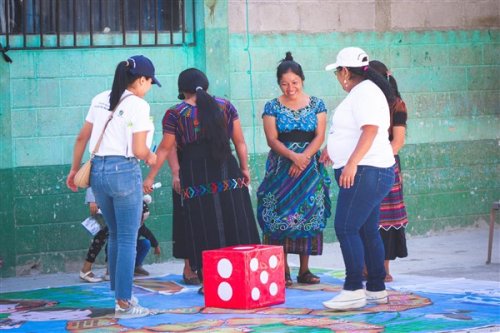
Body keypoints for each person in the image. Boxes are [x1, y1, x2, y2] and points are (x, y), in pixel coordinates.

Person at [143, 68, 260, 294]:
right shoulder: (226, 106)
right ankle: (241, 277)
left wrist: (150, 177)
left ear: (182, 90)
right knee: (234, 221)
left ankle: (211, 282)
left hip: (196, 176)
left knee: (203, 225)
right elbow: (240, 142)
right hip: (228, 171)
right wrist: (245, 169)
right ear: (205, 85)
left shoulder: (176, 113)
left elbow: (166, 148)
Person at [66, 55, 159, 319]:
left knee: (117, 235)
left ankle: (121, 294)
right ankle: (125, 304)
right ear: (141, 79)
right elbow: (140, 150)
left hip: (98, 172)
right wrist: (152, 157)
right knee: (128, 238)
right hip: (124, 172)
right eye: (150, 81)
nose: (150, 86)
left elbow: (82, 137)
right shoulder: (138, 106)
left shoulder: (100, 98)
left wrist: (74, 170)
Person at [320, 47, 396, 310]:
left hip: (366, 170)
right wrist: (334, 148)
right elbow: (356, 129)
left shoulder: (364, 93)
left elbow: (370, 130)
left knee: (346, 227)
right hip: (371, 170)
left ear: (344, 72)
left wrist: (351, 162)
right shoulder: (365, 92)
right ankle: (376, 287)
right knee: (365, 228)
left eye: (337, 73)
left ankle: (353, 288)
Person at [256, 52, 331, 287]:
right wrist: (293, 157)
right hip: (281, 169)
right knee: (279, 216)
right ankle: (284, 270)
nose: (290, 88)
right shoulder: (272, 107)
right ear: (279, 83)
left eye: (295, 83)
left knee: (309, 214)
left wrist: (305, 158)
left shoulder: (317, 104)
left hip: (309, 170)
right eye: (284, 84)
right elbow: (272, 139)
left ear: (302, 80)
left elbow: (319, 136)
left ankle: (305, 270)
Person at [369, 60, 409, 283]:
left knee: (385, 218)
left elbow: (398, 140)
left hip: (386, 163)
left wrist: (380, 160)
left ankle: (383, 267)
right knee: (366, 215)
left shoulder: (397, 106)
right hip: (365, 164)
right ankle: (366, 264)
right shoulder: (366, 103)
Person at [79, 189, 162, 282]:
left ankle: (109, 271)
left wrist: (156, 245)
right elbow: (93, 177)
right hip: (111, 204)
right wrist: (92, 200)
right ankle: (88, 269)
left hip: (118, 204)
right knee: (103, 237)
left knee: (111, 238)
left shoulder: (137, 219)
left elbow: (147, 232)